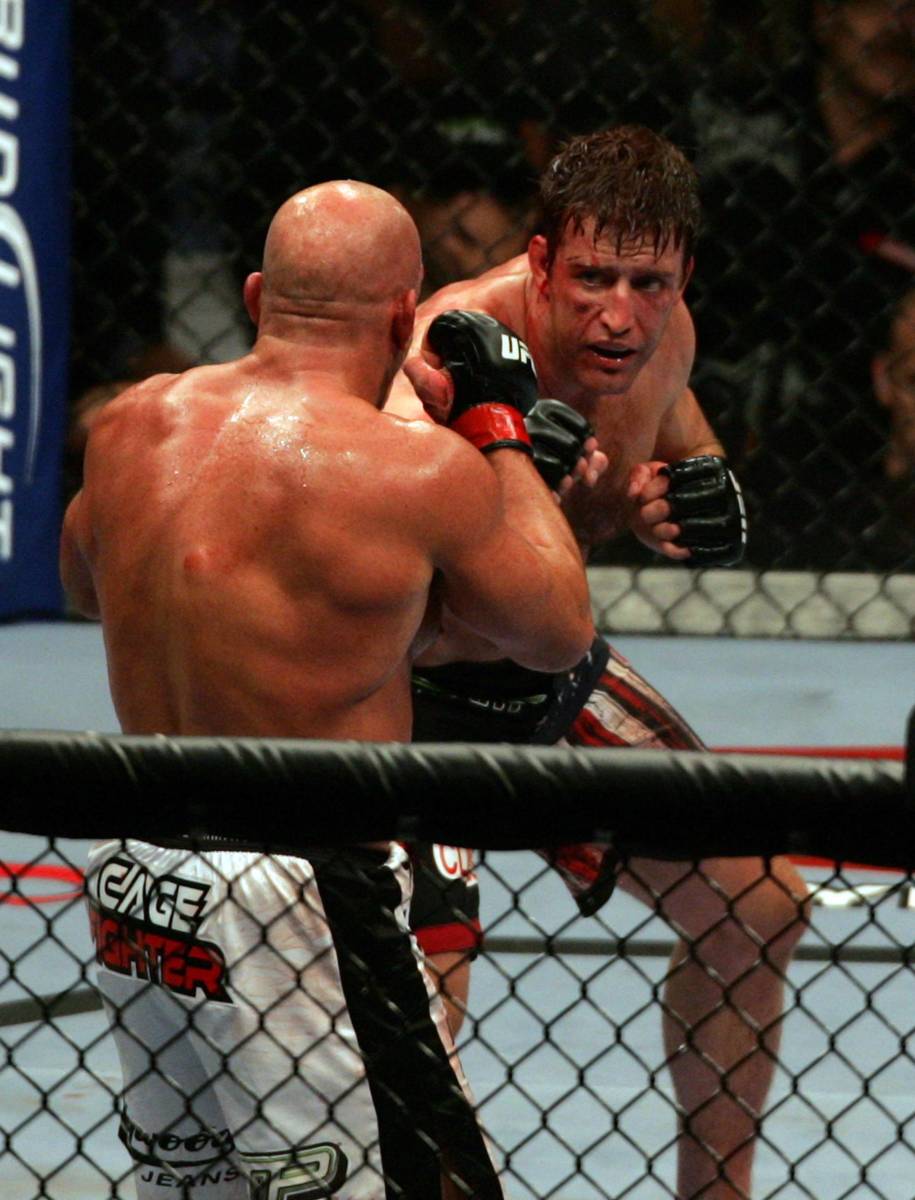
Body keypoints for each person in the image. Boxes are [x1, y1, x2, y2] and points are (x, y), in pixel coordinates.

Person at [60, 180, 598, 1200]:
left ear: (256, 296)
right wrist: (500, 430)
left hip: (137, 874)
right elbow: (556, 632)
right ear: (403, 318)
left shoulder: (132, 425)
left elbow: (89, 586)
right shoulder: (414, 471)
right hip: (302, 883)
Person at [386, 125, 810, 1200]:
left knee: (759, 900)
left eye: (647, 283)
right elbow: (371, 565)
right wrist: (500, 478)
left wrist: (689, 500)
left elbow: (682, 448)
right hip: (404, 698)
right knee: (424, 991)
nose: (618, 314)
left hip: (540, 681)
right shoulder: (447, 344)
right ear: (539, 263)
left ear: (683, 278)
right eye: (591, 279)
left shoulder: (664, 341)